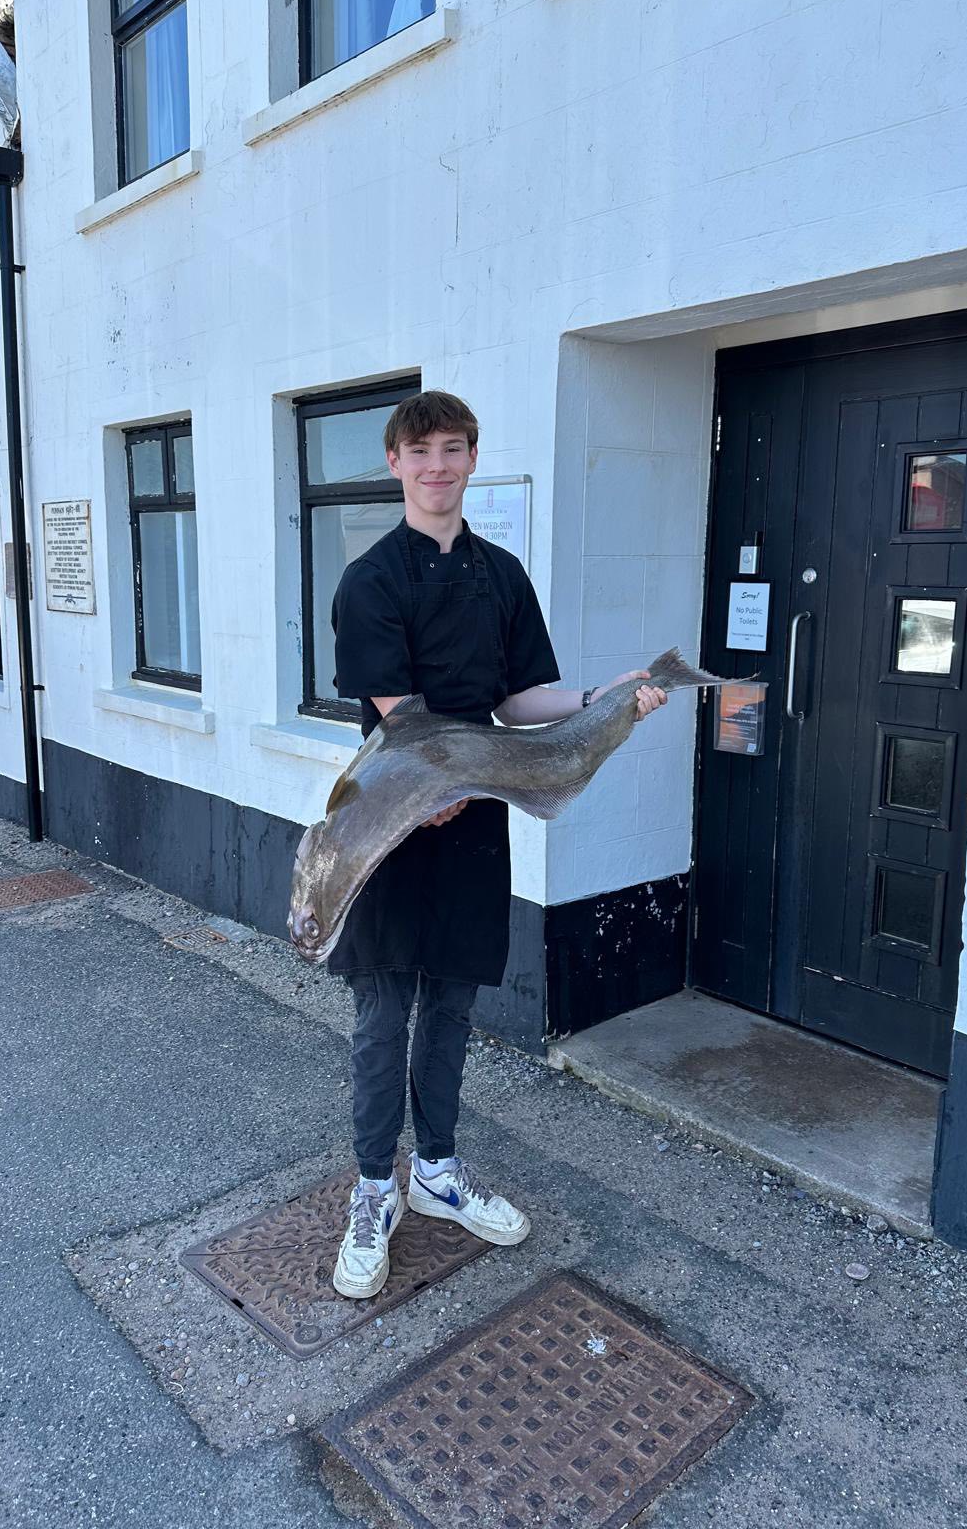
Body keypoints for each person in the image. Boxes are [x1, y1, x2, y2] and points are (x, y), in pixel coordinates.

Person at [328, 390, 665, 1298]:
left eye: (453, 449)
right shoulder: (369, 582)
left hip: (473, 816)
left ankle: (436, 1172)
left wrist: (608, 694)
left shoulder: (504, 575)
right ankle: (372, 1190)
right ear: (395, 463)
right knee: (383, 1014)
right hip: (392, 816)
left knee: (452, 1009)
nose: (438, 466)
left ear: (472, 459)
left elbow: (521, 703)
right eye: (420, 451)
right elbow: (401, 722)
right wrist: (442, 790)